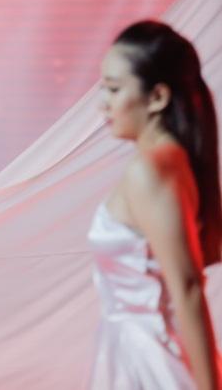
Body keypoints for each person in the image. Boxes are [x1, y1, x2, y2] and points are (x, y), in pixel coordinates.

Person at [90, 20, 222, 389]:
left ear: (157, 97)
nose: (103, 104)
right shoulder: (172, 162)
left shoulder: (150, 171)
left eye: (114, 89)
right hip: (134, 350)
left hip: (149, 356)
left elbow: (188, 289)